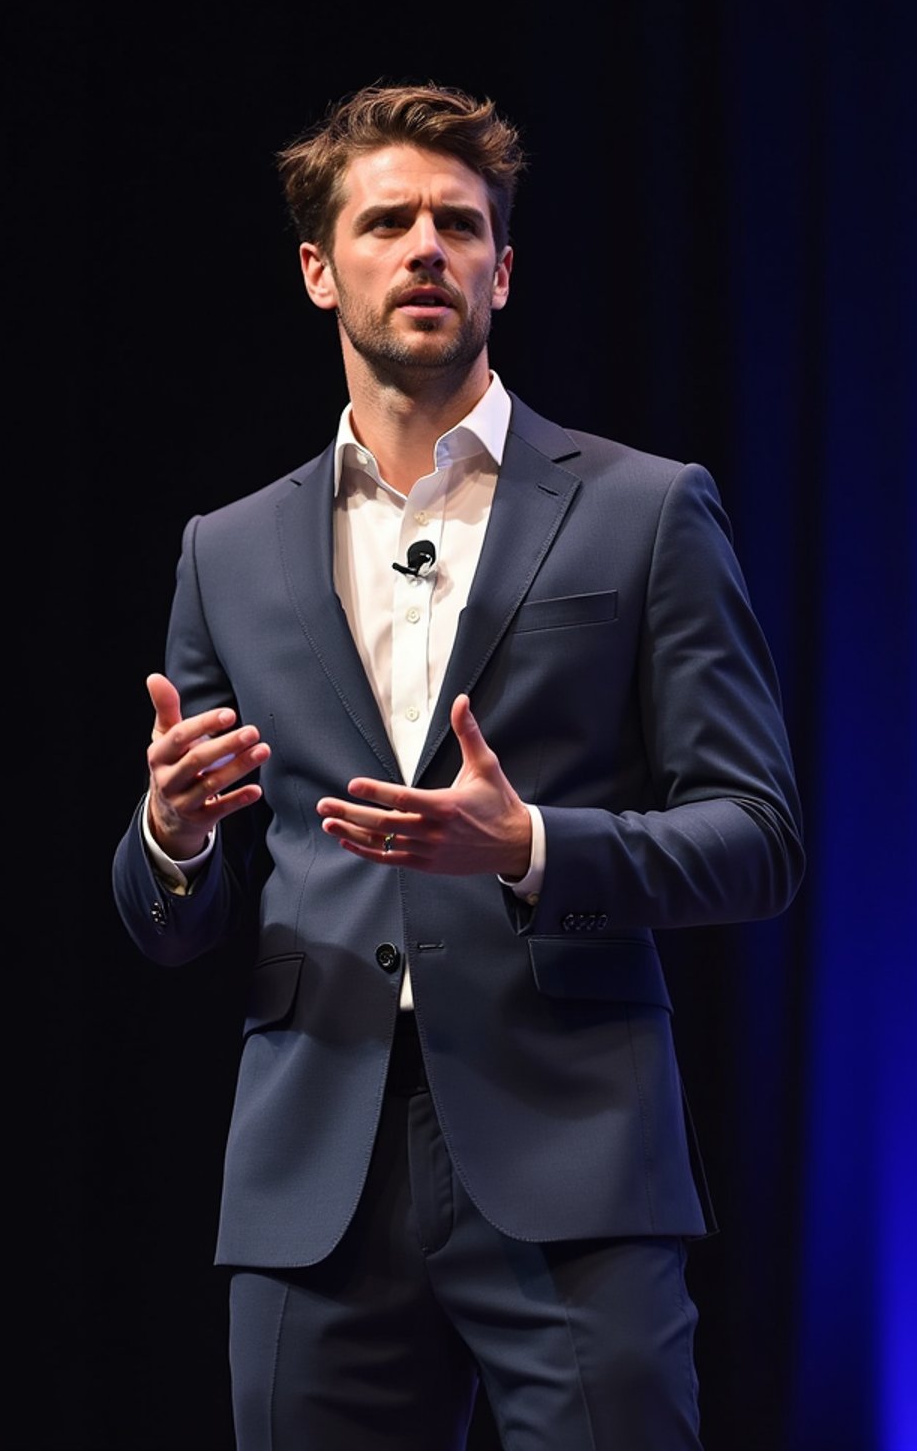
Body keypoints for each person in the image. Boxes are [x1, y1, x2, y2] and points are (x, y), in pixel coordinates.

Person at [112, 80, 804, 1451]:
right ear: (320, 269)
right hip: (316, 1178)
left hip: (576, 1165)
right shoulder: (229, 550)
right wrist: (173, 837)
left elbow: (760, 837)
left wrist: (535, 847)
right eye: (388, 221)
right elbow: (175, 918)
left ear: (503, 266)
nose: (426, 245)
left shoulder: (646, 510)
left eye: (459, 221)